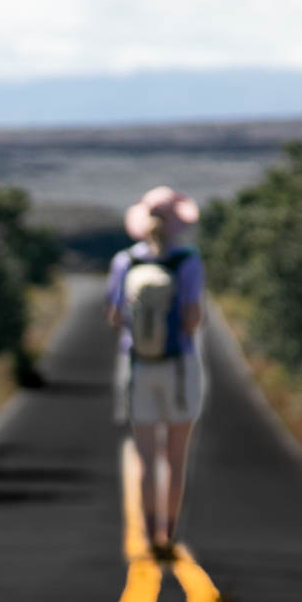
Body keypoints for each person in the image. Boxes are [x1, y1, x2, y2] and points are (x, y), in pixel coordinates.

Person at [105, 185, 206, 560]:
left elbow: (115, 316)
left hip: (138, 366)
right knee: (175, 458)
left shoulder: (124, 262)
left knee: (146, 458)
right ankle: (169, 534)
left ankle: (148, 536)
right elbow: (193, 318)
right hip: (179, 366)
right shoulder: (189, 261)